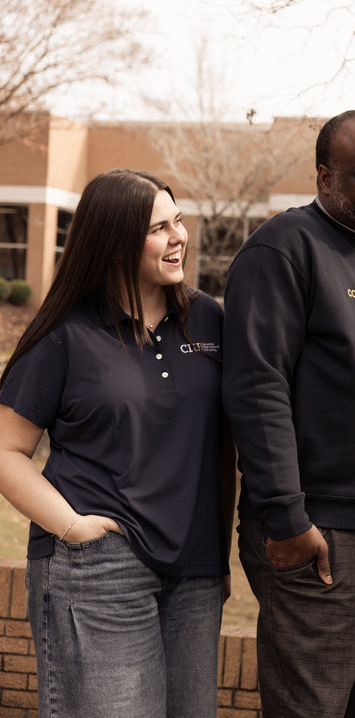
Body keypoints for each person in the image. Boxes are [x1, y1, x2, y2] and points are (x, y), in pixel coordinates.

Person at [222, 110, 355, 717]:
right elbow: (256, 387)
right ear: (324, 179)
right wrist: (288, 519)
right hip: (319, 534)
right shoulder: (283, 249)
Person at [0, 168, 233, 717]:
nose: (179, 236)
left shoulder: (209, 320)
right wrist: (72, 527)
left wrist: (221, 554)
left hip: (195, 567)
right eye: (159, 227)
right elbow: (7, 451)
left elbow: (229, 443)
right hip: (99, 566)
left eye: (178, 220)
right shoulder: (65, 333)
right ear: (115, 241)